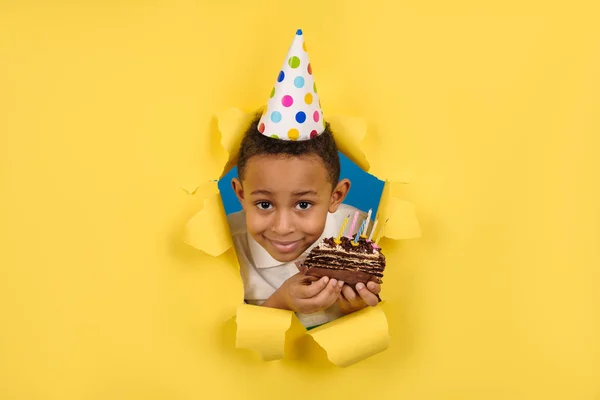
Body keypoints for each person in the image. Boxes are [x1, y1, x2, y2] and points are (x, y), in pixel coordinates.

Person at [225, 28, 381, 329]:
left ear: (336, 196)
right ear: (241, 194)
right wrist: (281, 302)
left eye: (304, 204)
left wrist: (358, 311)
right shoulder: (224, 250)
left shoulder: (363, 240)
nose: (283, 228)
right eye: (265, 204)